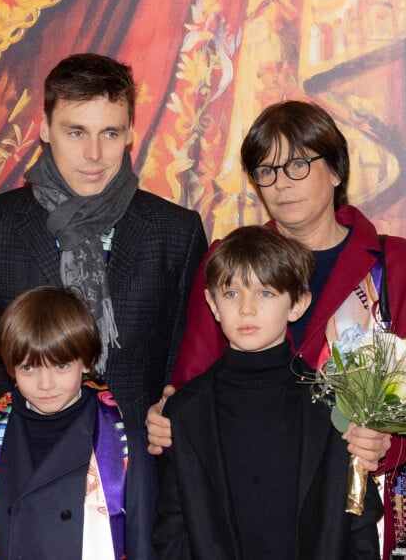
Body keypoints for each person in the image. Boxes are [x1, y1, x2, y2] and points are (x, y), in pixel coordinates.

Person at [147, 100, 406, 558]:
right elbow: (192, 379)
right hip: (239, 504)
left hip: (344, 502)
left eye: (298, 164)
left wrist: (386, 441)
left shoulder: (396, 264)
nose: (281, 184)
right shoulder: (226, 263)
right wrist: (168, 416)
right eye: (266, 171)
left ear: (337, 170)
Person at [0, 53, 208, 426]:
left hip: (136, 466)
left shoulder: (177, 232)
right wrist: (6, 435)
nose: (93, 155)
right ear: (46, 129)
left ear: (130, 133)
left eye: (109, 133)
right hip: (20, 459)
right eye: (76, 132)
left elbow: (185, 357)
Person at [152, 226, 383, 559]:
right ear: (212, 304)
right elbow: (172, 530)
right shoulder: (185, 411)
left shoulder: (337, 404)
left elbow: (359, 523)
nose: (247, 309)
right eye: (231, 293)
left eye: (265, 293)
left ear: (298, 303)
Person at [0, 286, 158, 559]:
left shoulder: (124, 441)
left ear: (88, 361)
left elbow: (143, 545)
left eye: (61, 366)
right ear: (11, 367)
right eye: (28, 367)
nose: (45, 384)